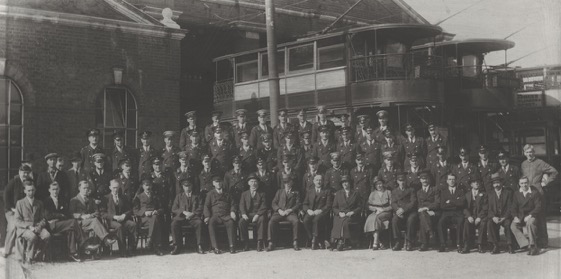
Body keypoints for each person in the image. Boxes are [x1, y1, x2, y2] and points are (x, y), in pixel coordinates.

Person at [521, 144, 557, 248]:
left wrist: (546, 182)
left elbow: (554, 172)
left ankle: (544, 241)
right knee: (531, 217)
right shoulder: (523, 164)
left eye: (531, 152)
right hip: (528, 194)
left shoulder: (540, 163)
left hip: (538, 193)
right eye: (527, 152)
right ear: (524, 153)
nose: (529, 154)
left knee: (540, 217)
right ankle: (534, 240)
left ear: (534, 152)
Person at [69, 181, 116, 251]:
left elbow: (97, 212)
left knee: (95, 222)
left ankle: (95, 251)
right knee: (95, 221)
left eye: (87, 188)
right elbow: (71, 214)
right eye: (84, 188)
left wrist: (90, 216)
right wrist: (82, 216)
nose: (86, 190)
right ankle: (106, 240)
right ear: (79, 188)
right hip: (79, 223)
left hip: (90, 222)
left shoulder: (91, 200)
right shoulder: (74, 200)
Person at [44, 181, 84, 262]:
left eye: (57, 189)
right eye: (53, 189)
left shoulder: (62, 200)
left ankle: (72, 253)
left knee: (71, 230)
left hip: (61, 224)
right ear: (49, 190)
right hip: (51, 225)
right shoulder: (46, 201)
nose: (55, 191)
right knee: (73, 222)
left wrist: (59, 216)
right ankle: (83, 242)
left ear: (59, 190)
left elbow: (66, 213)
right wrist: (60, 215)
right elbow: (48, 216)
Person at [14, 181, 50, 264]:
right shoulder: (20, 203)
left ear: (35, 190)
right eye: (29, 190)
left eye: (33, 190)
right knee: (32, 236)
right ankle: (29, 256)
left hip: (37, 227)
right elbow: (17, 220)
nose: (31, 192)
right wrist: (29, 227)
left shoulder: (39, 203)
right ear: (25, 191)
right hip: (24, 229)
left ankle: (39, 254)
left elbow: (43, 218)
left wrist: (39, 227)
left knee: (47, 235)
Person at [101, 179, 136, 257]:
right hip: (111, 221)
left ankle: (131, 249)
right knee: (119, 226)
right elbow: (102, 213)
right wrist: (114, 216)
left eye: (117, 187)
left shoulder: (123, 197)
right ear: (110, 187)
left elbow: (129, 210)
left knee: (132, 224)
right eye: (114, 187)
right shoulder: (105, 198)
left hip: (122, 219)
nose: (115, 189)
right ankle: (122, 251)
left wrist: (124, 215)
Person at [3, 164, 32, 258]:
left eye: (27, 173)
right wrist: (12, 208)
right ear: (20, 172)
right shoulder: (14, 182)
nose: (25, 175)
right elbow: (6, 196)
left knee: (24, 227)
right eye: (24, 173)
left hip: (23, 211)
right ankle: (7, 250)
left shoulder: (29, 182)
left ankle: (22, 253)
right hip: (11, 211)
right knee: (13, 227)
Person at [204, 175, 237, 254]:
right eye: (216, 182)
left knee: (231, 223)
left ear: (222, 183)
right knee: (211, 223)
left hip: (225, 215)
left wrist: (232, 211)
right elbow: (206, 206)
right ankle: (215, 247)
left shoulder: (227, 193)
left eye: (220, 182)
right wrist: (207, 216)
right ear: (213, 184)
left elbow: (233, 204)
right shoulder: (210, 194)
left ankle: (232, 246)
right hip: (215, 216)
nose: (218, 184)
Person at [267, 175, 301, 252]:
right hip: (280, 212)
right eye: (285, 182)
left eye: (289, 182)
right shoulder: (279, 192)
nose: (287, 184)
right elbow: (274, 203)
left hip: (290, 213)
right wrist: (279, 210)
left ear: (292, 183)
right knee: (271, 221)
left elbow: (298, 204)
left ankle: (295, 241)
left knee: (296, 221)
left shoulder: (296, 192)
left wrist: (290, 210)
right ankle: (271, 242)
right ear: (283, 184)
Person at [170, 179, 204, 255]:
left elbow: (201, 207)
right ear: (182, 187)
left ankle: (199, 245)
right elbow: (174, 209)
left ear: (191, 186)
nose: (187, 188)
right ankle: (177, 246)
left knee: (199, 223)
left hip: (193, 217)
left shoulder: (197, 196)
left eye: (189, 186)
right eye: (185, 186)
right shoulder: (179, 196)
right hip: (182, 217)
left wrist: (193, 213)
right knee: (174, 224)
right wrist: (183, 212)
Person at [511, 176, 542, 256]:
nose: (524, 185)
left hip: (532, 215)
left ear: (528, 183)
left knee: (530, 223)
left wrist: (530, 215)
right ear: (519, 184)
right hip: (521, 217)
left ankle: (533, 246)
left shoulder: (534, 192)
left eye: (525, 183)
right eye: (522, 183)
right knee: (513, 226)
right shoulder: (517, 193)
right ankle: (525, 243)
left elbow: (538, 206)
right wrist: (515, 217)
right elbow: (513, 207)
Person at [330, 175, 362, 251]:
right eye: (343, 182)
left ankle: (340, 241)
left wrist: (353, 212)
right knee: (338, 221)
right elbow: (334, 207)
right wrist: (339, 213)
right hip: (340, 214)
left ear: (350, 183)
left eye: (346, 182)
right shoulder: (338, 193)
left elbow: (360, 206)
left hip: (351, 215)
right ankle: (336, 241)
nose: (345, 184)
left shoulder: (356, 193)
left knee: (345, 222)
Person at [133, 179, 164, 256]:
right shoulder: (139, 196)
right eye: (146, 185)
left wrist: (156, 211)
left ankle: (150, 239)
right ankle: (156, 247)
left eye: (149, 185)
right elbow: (135, 210)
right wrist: (144, 212)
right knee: (156, 221)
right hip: (144, 219)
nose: (148, 187)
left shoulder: (155, 196)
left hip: (154, 216)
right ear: (143, 186)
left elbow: (161, 208)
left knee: (155, 218)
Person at [238, 174, 268, 252]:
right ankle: (246, 242)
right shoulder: (244, 194)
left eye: (255, 181)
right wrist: (243, 214)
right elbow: (241, 205)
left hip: (258, 214)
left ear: (257, 183)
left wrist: (257, 215)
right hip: (248, 214)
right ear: (248, 183)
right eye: (251, 181)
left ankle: (259, 242)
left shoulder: (262, 193)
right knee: (241, 222)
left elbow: (264, 206)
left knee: (262, 219)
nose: (253, 183)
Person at [303, 174, 333, 250]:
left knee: (316, 220)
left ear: (322, 181)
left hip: (322, 213)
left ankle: (314, 241)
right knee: (305, 220)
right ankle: (315, 239)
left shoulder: (327, 191)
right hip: (311, 212)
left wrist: (320, 210)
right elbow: (305, 204)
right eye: (317, 180)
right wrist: (308, 210)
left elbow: (328, 205)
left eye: (320, 180)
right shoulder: (310, 191)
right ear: (313, 181)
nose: (318, 182)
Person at [437, 173, 466, 253]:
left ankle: (459, 244)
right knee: (441, 222)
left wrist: (450, 202)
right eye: (450, 179)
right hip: (447, 213)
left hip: (457, 213)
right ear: (447, 181)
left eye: (453, 179)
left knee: (461, 221)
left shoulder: (460, 191)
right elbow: (442, 205)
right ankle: (443, 244)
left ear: (456, 180)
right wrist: (456, 202)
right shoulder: (443, 192)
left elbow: (462, 203)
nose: (452, 181)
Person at [487, 173, 514, 254]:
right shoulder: (489, 194)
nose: (497, 185)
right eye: (495, 183)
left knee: (508, 224)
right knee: (489, 223)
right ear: (492, 184)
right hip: (495, 216)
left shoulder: (508, 193)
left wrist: (504, 217)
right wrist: (493, 217)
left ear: (501, 183)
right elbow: (488, 208)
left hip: (505, 216)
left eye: (498, 182)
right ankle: (495, 245)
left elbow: (510, 207)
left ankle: (510, 245)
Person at [391, 171, 417, 251]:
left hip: (410, 212)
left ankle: (409, 242)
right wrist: (398, 210)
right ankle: (398, 242)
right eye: (400, 181)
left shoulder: (411, 190)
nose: (402, 183)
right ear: (397, 181)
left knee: (411, 219)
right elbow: (393, 203)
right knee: (394, 220)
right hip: (399, 212)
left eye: (403, 181)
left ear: (406, 181)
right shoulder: (394, 191)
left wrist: (404, 209)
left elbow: (413, 202)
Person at [364, 176, 392, 250]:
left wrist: (383, 209)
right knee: (370, 218)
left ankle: (375, 242)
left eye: (380, 183)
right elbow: (368, 205)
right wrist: (375, 209)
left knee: (376, 218)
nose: (379, 186)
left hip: (386, 212)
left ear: (383, 184)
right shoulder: (373, 193)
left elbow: (392, 205)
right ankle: (379, 242)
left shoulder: (388, 192)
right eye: (377, 184)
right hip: (375, 211)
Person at [461, 178, 488, 254]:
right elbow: (464, 207)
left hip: (480, 216)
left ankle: (480, 245)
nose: (477, 183)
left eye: (478, 182)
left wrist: (479, 217)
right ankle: (466, 245)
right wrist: (469, 216)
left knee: (483, 223)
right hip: (471, 216)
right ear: (471, 184)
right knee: (466, 223)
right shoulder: (467, 194)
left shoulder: (484, 194)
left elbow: (485, 208)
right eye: (474, 182)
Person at [416, 170, 439, 251]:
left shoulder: (434, 189)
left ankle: (424, 243)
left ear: (429, 179)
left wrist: (428, 208)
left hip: (433, 211)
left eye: (426, 179)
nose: (424, 181)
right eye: (422, 179)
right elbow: (419, 205)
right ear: (420, 180)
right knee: (423, 215)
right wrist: (423, 209)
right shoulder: (418, 192)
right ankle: (430, 232)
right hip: (423, 212)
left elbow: (437, 202)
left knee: (423, 217)